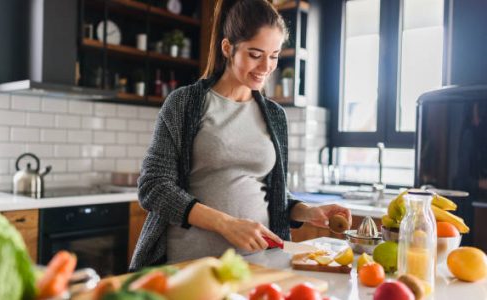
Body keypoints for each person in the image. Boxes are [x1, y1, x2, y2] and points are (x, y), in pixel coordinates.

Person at [129, 0, 351, 270]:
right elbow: (154, 187)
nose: (266, 66)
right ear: (227, 48)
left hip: (259, 263)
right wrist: (226, 224)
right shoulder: (185, 103)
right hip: (191, 265)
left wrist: (306, 211)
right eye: (255, 54)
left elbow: (271, 193)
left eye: (274, 55)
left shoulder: (274, 115)